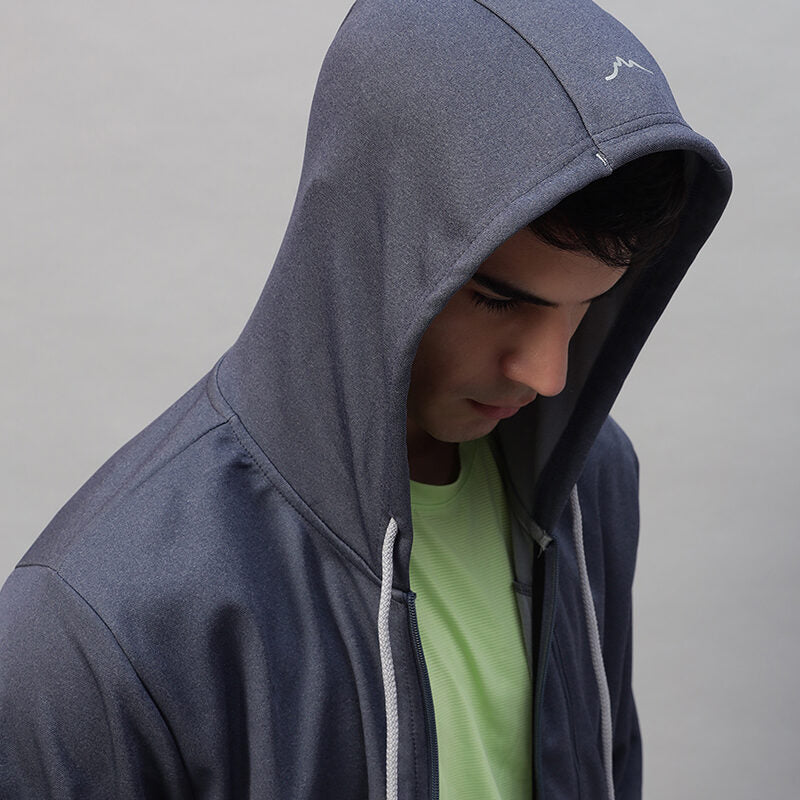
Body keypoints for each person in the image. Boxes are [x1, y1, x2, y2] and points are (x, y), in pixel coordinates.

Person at [0, 0, 731, 798]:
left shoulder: (590, 480)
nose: (546, 373)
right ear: (365, 243)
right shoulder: (93, 629)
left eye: (585, 306)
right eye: (498, 300)